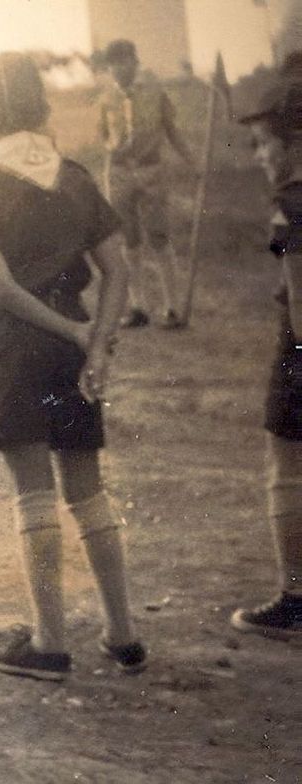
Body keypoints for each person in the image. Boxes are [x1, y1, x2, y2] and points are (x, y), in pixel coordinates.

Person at [0, 53, 148, 682]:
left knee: (34, 492)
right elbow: (118, 270)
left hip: (16, 345)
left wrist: (75, 333)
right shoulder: (75, 178)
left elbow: (2, 289)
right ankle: (123, 633)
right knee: (88, 489)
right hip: (73, 341)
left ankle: (49, 642)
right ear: (39, 104)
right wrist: (96, 343)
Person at [229, 74, 302, 639]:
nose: (259, 156)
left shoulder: (291, 205)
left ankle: (295, 598)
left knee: (287, 465)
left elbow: (301, 305)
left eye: (264, 144)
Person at [98, 39, 198, 330]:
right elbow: (103, 135)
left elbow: (172, 130)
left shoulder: (155, 93)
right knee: (129, 239)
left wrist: (192, 161)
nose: (119, 68)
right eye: (113, 63)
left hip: (150, 171)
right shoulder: (106, 99)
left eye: (124, 61)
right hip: (119, 174)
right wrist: (113, 148)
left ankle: (172, 308)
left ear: (135, 62)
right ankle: (138, 307)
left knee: (158, 236)